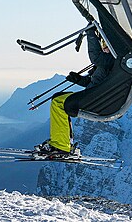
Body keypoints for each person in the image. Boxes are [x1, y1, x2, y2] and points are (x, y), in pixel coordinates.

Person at [34, 26, 114, 157]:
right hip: (97, 97)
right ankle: (65, 143)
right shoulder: (111, 63)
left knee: (58, 104)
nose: (104, 49)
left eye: (105, 46)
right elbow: (95, 83)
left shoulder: (111, 60)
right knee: (59, 97)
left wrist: (91, 32)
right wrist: (79, 80)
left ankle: (60, 145)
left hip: (97, 100)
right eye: (103, 46)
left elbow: (96, 57)